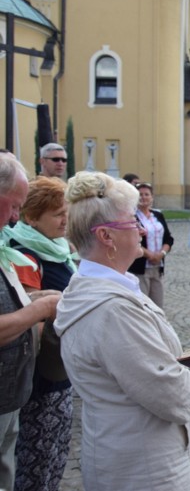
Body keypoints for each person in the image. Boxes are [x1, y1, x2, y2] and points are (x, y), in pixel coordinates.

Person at [53, 172, 190, 490]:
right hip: (143, 464)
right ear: (106, 236)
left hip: (129, 446)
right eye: (131, 222)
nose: (141, 229)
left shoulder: (96, 289)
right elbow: (159, 382)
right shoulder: (112, 309)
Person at [6, 176, 76, 491]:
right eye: (57, 214)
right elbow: (29, 326)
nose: (66, 220)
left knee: (55, 456)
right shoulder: (24, 255)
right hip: (40, 377)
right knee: (37, 462)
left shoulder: (57, 248)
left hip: (59, 368)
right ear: (31, 217)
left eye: (67, 211)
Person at [0, 155, 61, 490]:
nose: (13, 218)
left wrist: (38, 299)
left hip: (10, 394)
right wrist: (41, 308)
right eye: (13, 206)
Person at [128, 182, 173, 308]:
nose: (143, 197)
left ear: (152, 197)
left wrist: (161, 254)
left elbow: (169, 239)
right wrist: (150, 255)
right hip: (140, 267)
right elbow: (130, 240)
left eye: (146, 194)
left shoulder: (158, 215)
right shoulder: (132, 216)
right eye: (140, 194)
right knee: (142, 305)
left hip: (158, 267)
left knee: (158, 304)